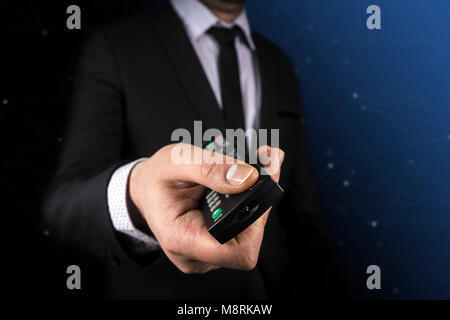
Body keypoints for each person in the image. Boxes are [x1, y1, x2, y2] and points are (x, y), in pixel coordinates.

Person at [43, 0, 341, 299]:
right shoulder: (117, 45)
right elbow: (64, 203)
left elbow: (303, 214)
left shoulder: (277, 62)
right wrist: (136, 196)